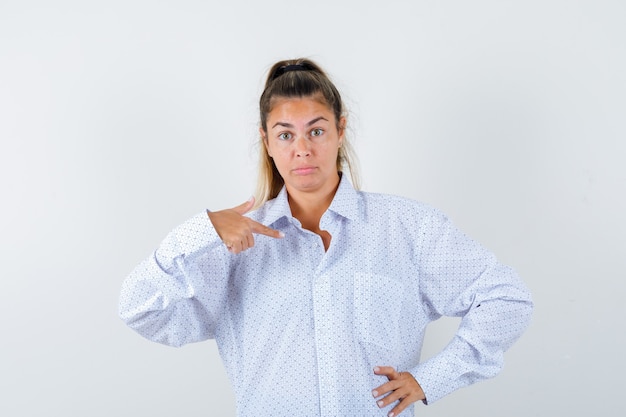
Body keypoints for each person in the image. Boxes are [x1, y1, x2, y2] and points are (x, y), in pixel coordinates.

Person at [119, 58, 533, 417]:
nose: (302, 148)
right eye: (285, 134)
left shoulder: (409, 227)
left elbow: (506, 298)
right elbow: (139, 310)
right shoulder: (231, 247)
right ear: (266, 141)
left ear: (340, 129)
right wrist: (201, 230)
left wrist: (431, 380)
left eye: (315, 131)